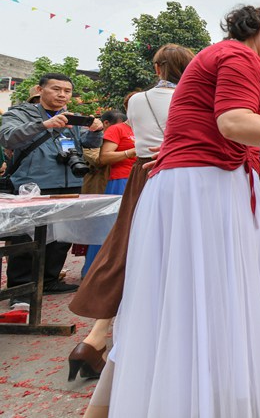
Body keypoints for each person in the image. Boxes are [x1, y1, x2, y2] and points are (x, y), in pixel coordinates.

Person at [102, 5, 260, 418]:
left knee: (186, 306)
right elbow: (233, 122)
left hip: (198, 183)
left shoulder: (221, 57)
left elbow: (224, 129)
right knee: (235, 302)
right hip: (205, 188)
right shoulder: (239, 56)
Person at [69, 44, 194, 388]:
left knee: (128, 246)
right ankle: (166, 335)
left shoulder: (135, 101)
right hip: (178, 173)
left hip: (140, 174)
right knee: (174, 252)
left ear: (158, 69)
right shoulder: (191, 98)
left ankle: (96, 336)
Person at [0, 73, 104, 305]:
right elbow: (8, 138)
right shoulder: (19, 113)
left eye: (67, 91)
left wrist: (96, 131)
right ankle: (20, 289)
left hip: (68, 183)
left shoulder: (71, 118)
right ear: (39, 89)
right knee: (25, 237)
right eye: (56, 89)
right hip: (32, 184)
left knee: (61, 237)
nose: (62, 95)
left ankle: (49, 279)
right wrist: (44, 124)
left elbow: (87, 144)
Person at [79, 109, 134, 278]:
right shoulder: (117, 129)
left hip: (142, 178)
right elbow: (102, 158)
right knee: (110, 229)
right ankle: (95, 273)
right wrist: (131, 152)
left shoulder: (146, 128)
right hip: (120, 180)